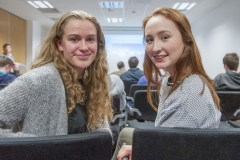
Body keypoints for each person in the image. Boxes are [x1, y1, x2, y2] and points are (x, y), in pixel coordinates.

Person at [112, 7, 221, 160]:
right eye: (149, 40)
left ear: (186, 39)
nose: (155, 48)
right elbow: (170, 143)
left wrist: (142, 151)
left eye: (164, 37)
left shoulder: (187, 98)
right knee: (125, 135)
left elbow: (168, 153)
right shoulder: (173, 79)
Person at [0, 10, 113, 137]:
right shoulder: (37, 80)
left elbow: (98, 133)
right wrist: (38, 146)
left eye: (90, 39)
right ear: (59, 44)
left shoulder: (93, 83)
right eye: (74, 39)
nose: (84, 47)